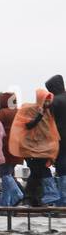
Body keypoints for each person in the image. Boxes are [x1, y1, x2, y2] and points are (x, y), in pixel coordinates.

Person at [9, 88, 60, 207]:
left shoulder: (48, 113)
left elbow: (51, 131)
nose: (47, 103)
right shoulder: (29, 109)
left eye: (49, 101)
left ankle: (34, 199)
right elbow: (27, 125)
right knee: (36, 172)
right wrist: (39, 115)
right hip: (30, 148)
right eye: (45, 100)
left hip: (43, 149)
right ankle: (29, 198)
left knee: (38, 173)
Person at [0, 92, 24, 206]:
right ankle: (5, 201)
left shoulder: (2, 113)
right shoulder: (19, 112)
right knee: (9, 173)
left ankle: (17, 193)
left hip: (5, 148)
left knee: (3, 173)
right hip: (17, 148)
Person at [45, 75, 66, 206]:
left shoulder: (54, 101)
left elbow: (47, 121)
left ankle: (63, 199)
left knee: (62, 166)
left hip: (59, 138)